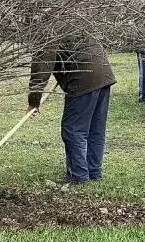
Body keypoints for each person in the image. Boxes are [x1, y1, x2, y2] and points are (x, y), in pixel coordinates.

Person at [28, 37, 117, 184]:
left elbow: (41, 66)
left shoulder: (46, 30)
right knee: (95, 129)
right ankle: (93, 171)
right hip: (103, 74)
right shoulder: (69, 16)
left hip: (83, 78)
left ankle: (79, 176)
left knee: (73, 130)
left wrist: (33, 101)